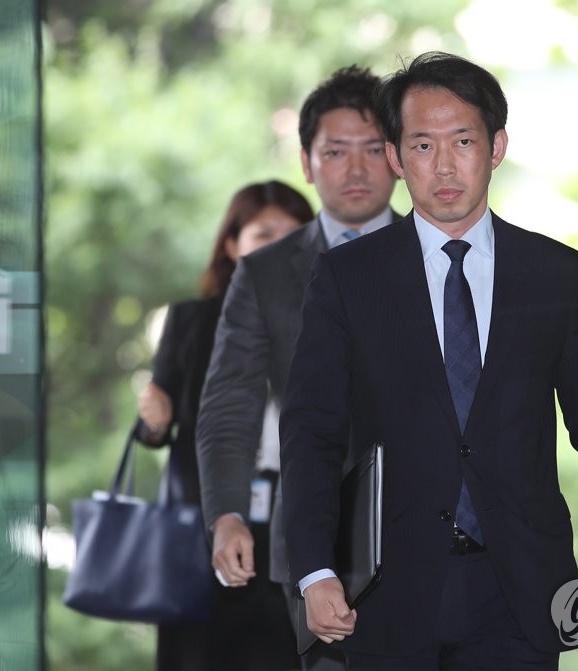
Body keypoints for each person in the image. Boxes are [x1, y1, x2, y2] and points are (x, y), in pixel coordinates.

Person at [280, 51, 578, 670]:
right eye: (422, 145)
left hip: (520, 590)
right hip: (388, 589)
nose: (444, 165)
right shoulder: (348, 277)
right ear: (396, 158)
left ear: (496, 147)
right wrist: (314, 569)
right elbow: (312, 430)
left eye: (462, 141)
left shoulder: (556, 275)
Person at [196, 65, 399, 671]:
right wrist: (227, 514)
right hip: (315, 543)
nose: (356, 169)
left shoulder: (439, 254)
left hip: (433, 533)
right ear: (307, 164)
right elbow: (229, 401)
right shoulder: (264, 273)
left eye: (372, 149)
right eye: (335, 152)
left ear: (396, 156)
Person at [136, 180, 314, 671]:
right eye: (264, 234)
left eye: (293, 235)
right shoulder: (192, 319)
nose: (278, 247)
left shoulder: (329, 311)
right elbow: (154, 427)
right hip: (208, 520)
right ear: (232, 245)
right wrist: (156, 421)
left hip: (297, 515)